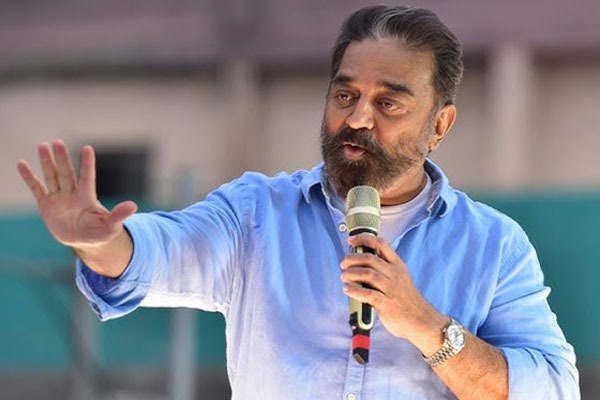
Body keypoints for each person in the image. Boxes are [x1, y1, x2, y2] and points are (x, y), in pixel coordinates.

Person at [17, 5, 579, 400]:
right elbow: (163, 250)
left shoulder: (493, 246)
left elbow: (550, 389)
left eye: (389, 103)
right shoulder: (257, 214)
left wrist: (426, 325)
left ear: (440, 125)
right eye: (345, 95)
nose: (358, 118)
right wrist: (102, 243)